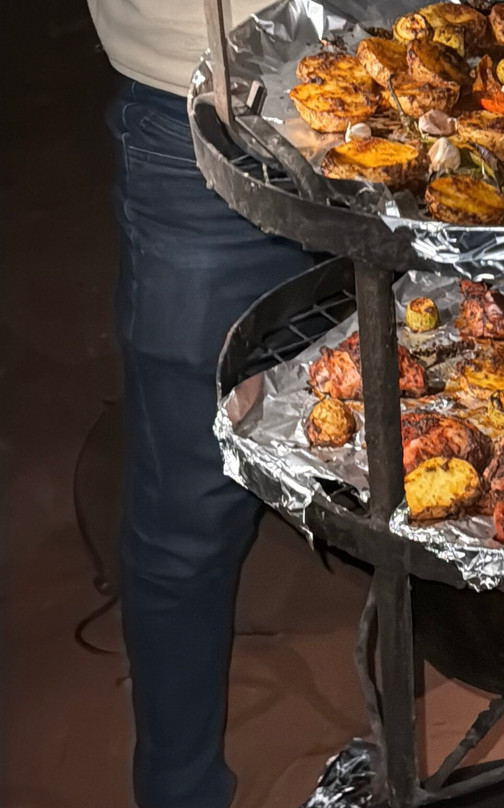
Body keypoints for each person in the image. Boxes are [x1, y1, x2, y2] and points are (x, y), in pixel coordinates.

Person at [87, 1, 314, 806]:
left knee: (469, 403)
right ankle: (180, 790)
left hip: (446, 81)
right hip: (205, 105)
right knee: (189, 501)